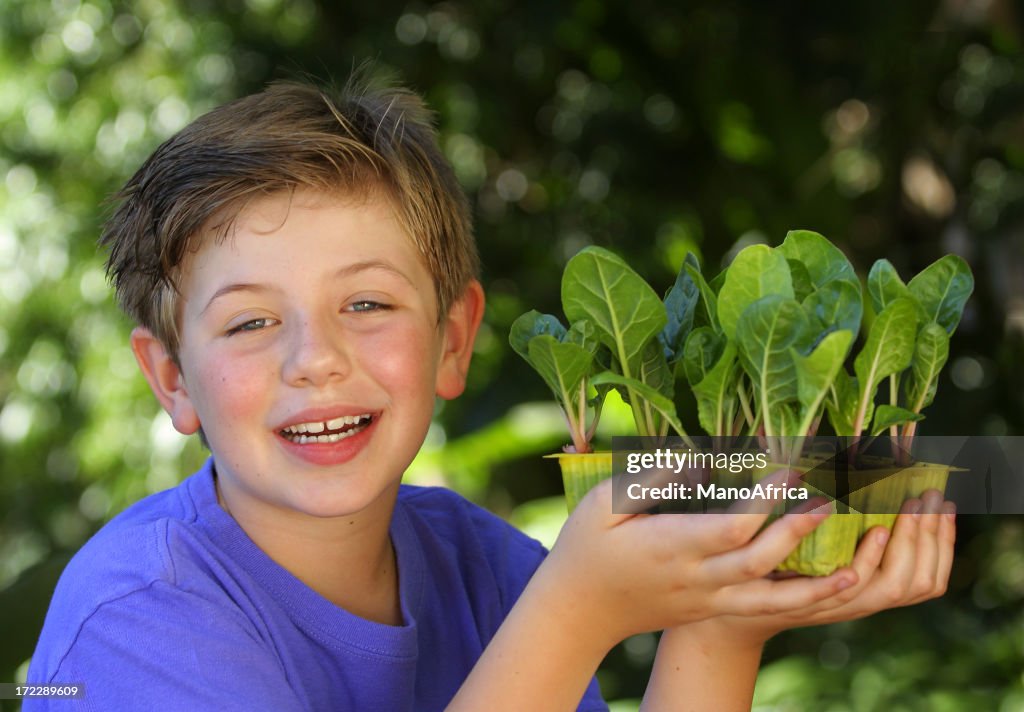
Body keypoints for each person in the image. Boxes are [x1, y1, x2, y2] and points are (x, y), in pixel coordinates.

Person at [24, 76, 957, 711]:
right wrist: (579, 611)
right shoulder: (138, 620)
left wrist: (721, 620)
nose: (317, 359)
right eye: (250, 322)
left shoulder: (490, 569)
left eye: (366, 302)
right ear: (172, 380)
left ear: (453, 341)